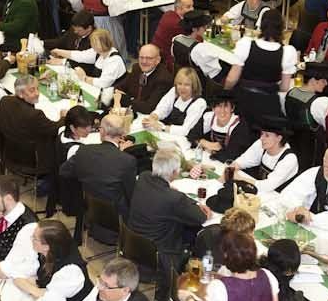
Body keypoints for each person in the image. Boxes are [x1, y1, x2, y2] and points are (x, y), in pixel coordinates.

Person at [125, 147, 208, 279]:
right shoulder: (174, 198)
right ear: (174, 172)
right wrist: (200, 207)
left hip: (133, 244)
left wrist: (170, 190)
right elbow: (201, 217)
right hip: (160, 254)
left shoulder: (143, 177)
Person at [64, 114, 140, 213]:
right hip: (116, 215)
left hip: (89, 209)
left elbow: (64, 171)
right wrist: (119, 153)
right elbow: (131, 194)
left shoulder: (84, 151)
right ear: (122, 134)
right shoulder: (127, 160)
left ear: (102, 131)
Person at [192, 92, 256, 163]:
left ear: (232, 108)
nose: (222, 111)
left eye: (226, 106)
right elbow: (192, 135)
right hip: (211, 159)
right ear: (213, 108)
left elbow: (232, 155)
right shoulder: (209, 117)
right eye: (219, 106)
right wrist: (209, 145)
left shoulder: (239, 125)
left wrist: (210, 150)